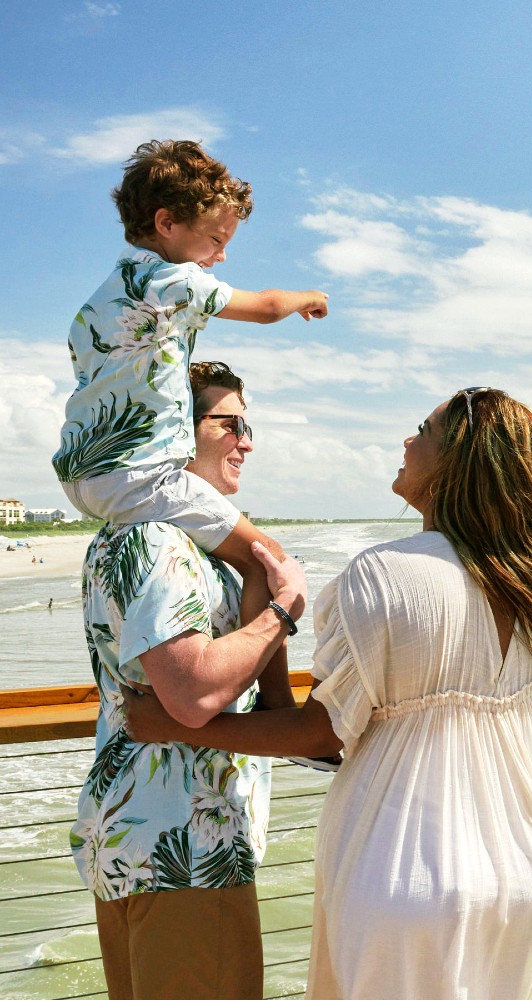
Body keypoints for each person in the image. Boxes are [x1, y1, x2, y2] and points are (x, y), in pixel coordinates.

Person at [124, 387, 532, 1000]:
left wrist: (173, 723)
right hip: (525, 876)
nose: (407, 439)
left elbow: (321, 732)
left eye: (423, 429)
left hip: (403, 875)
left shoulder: (381, 574)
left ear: (457, 460)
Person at [52, 138, 328, 710]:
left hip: (87, 473)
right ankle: (278, 707)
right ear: (167, 222)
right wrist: (306, 298)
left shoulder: (96, 305)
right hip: (141, 473)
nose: (220, 257)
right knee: (266, 557)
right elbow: (267, 305)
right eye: (216, 240)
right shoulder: (167, 282)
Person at [72, 360, 307, 1000]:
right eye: (229, 424)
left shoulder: (134, 537)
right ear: (178, 430)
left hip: (136, 839)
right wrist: (283, 612)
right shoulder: (161, 544)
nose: (246, 442)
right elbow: (195, 694)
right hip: (187, 848)